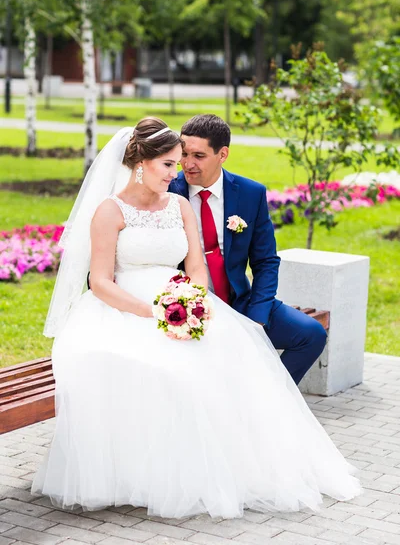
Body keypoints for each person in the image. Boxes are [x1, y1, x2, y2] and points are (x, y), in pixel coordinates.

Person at [31, 117, 361, 518]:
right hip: (125, 308)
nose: (178, 171)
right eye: (170, 163)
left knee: (232, 353)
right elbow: (99, 281)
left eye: (183, 161)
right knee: (165, 370)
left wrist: (191, 300)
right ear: (141, 163)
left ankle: (233, 452)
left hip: (186, 300)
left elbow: (197, 265)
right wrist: (153, 312)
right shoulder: (109, 211)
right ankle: (147, 470)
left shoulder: (181, 204)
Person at [169, 114, 326, 385]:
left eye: (198, 155)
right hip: (188, 305)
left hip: (239, 301)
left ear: (223, 154)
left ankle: (271, 395)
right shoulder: (169, 191)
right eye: (183, 153)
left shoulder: (250, 193)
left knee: (311, 334)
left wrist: (257, 319)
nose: (187, 163)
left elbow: (265, 261)